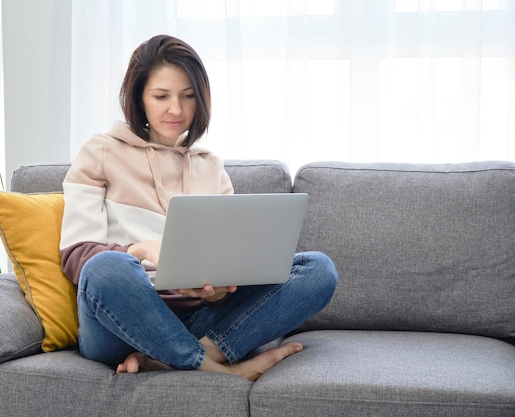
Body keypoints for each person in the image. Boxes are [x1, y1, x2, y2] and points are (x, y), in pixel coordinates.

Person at [59, 34, 338, 382]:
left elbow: (226, 260)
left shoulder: (210, 167)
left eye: (188, 96)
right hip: (120, 322)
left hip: (199, 319)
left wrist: (221, 288)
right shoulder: (100, 152)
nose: (176, 109)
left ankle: (176, 357)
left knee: (318, 270)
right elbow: (75, 256)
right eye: (161, 96)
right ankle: (222, 371)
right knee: (105, 267)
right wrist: (139, 249)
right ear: (139, 98)